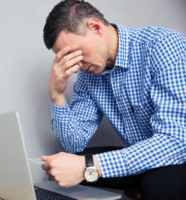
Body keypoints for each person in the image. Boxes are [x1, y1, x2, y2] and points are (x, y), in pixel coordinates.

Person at [41, 0, 186, 199]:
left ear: (95, 27)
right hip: (142, 158)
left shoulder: (163, 46)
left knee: (158, 185)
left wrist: (90, 166)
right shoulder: (88, 75)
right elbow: (74, 143)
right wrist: (56, 95)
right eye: (67, 59)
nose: (76, 66)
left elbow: (175, 140)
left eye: (75, 54)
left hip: (178, 153)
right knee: (60, 170)